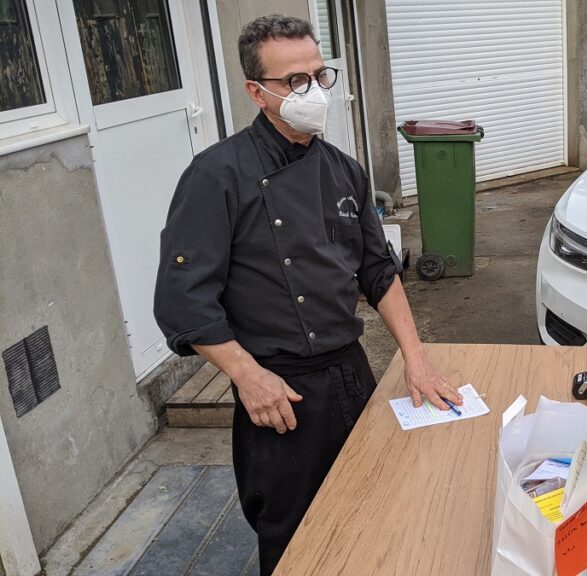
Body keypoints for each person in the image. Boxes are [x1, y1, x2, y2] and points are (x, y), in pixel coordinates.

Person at [153, 15, 462, 574]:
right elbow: (182, 301)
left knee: (373, 508)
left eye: (321, 75)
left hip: (351, 372)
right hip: (279, 393)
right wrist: (249, 377)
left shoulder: (344, 172)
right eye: (295, 81)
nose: (314, 91)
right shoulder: (216, 176)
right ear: (257, 92)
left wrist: (415, 358)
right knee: (294, 539)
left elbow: (378, 271)